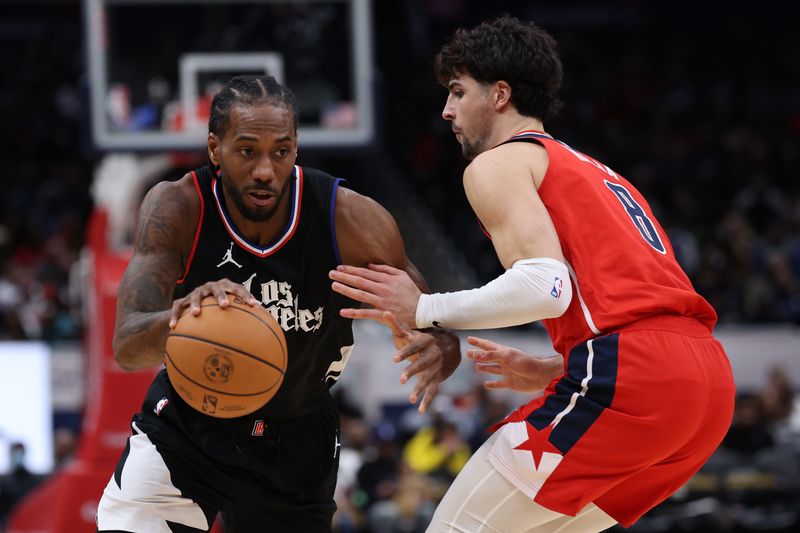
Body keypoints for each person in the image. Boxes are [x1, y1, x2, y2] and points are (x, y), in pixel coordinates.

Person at [329, 16, 736, 532]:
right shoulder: (602, 174)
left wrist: (423, 307)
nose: (446, 110)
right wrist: (560, 366)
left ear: (500, 95)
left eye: (458, 91)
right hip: (705, 391)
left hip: (632, 378)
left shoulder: (497, 164)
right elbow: (638, 307)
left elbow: (546, 286)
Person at [95, 74, 460, 533]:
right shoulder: (177, 208)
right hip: (185, 434)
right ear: (215, 149)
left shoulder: (351, 220)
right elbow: (127, 346)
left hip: (296, 443)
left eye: (281, 152)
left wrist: (442, 348)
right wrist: (182, 314)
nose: (266, 169)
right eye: (247, 150)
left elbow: (435, 326)